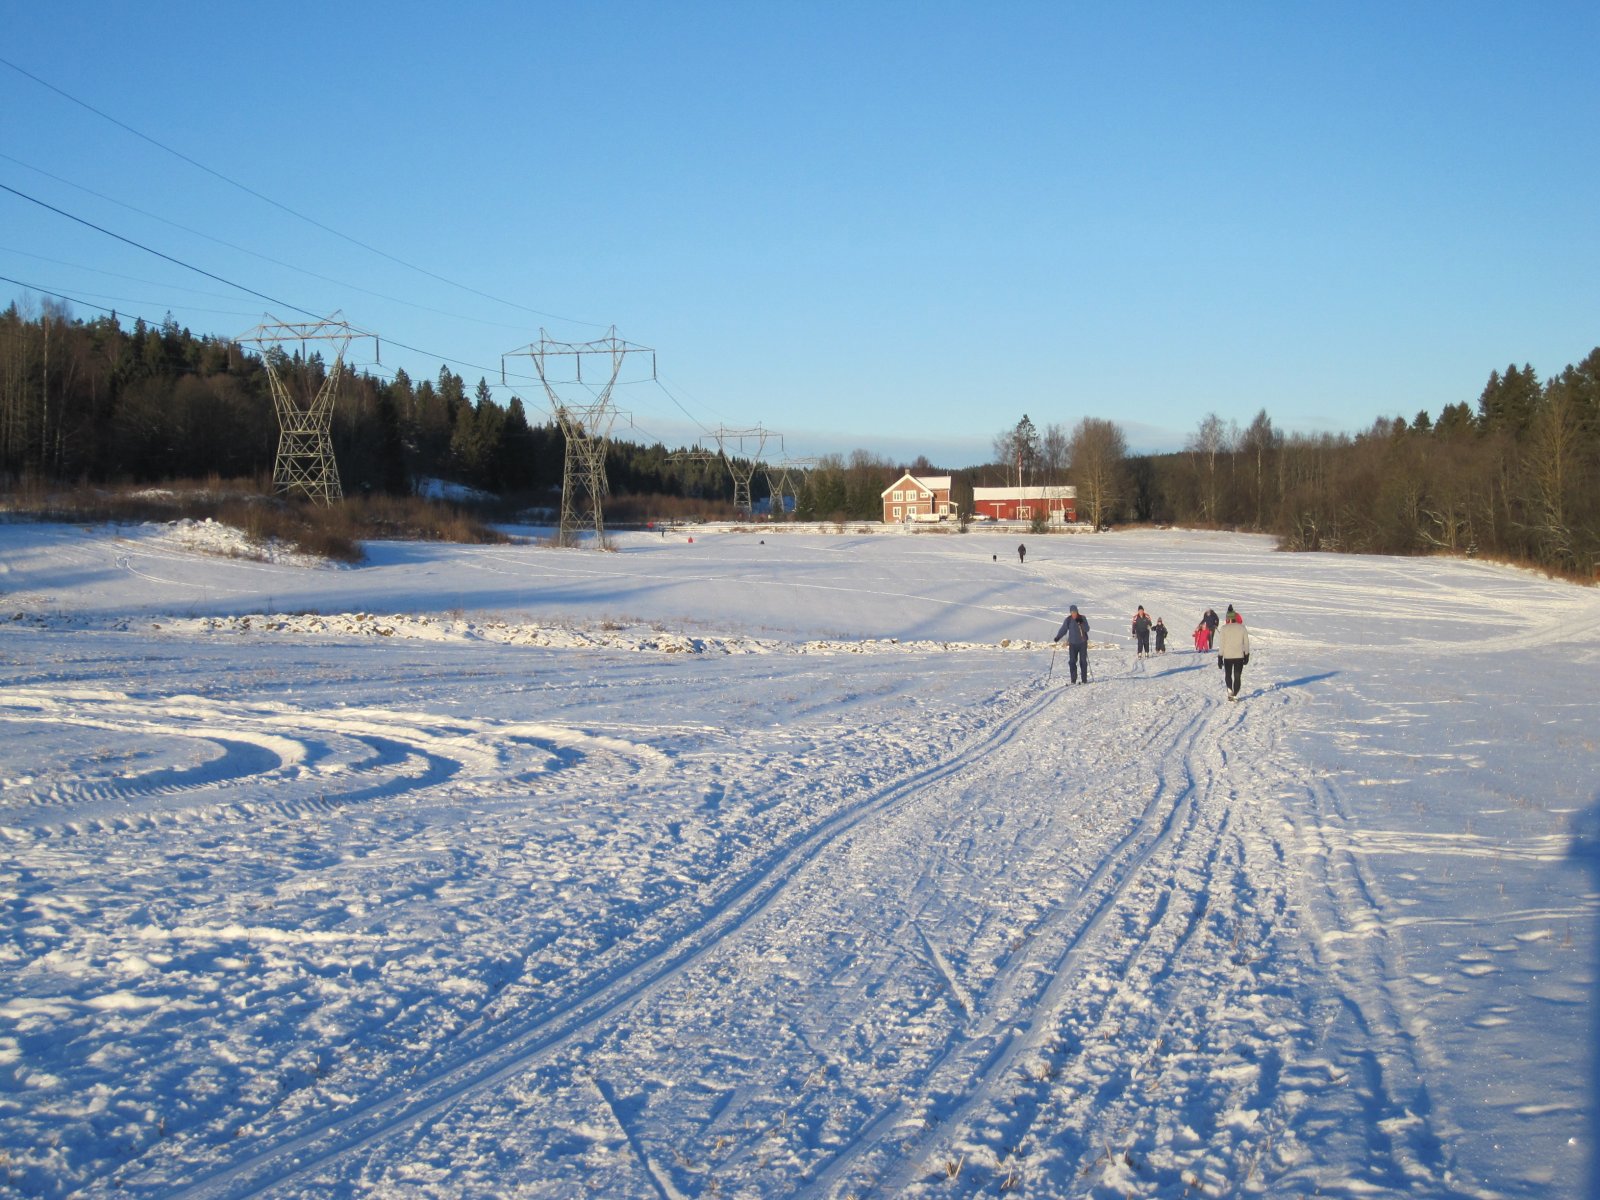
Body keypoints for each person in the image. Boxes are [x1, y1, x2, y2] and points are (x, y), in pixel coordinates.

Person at [1216, 608, 1251, 700]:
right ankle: (1235, 694)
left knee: (1228, 675)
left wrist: (1220, 657)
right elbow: (1246, 642)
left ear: (1228, 618)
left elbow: (1221, 644)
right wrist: (1247, 654)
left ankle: (1229, 689)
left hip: (1228, 656)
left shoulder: (1224, 628)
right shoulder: (1242, 627)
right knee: (1237, 676)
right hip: (1239, 656)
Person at [1053, 603, 1091, 684]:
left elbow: (1087, 629)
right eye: (1072, 612)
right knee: (1072, 661)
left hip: (1082, 643)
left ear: (1077, 611)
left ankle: (1084, 680)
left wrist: (1081, 623)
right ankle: (1073, 680)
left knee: (1083, 661)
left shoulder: (1082, 618)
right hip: (1073, 644)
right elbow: (1063, 629)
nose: (1073, 614)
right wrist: (1058, 637)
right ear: (1070, 612)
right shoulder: (1068, 620)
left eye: (1075, 612)